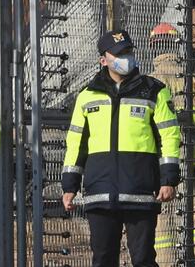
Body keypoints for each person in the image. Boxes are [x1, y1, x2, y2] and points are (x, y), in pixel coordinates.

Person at [61, 29, 181, 267]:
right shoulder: (87, 96)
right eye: (118, 53)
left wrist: (168, 179)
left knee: (143, 259)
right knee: (103, 259)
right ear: (103, 60)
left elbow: (169, 135)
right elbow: (76, 143)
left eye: (128, 51)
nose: (125, 57)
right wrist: (69, 185)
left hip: (140, 189)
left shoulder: (154, 90)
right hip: (100, 191)